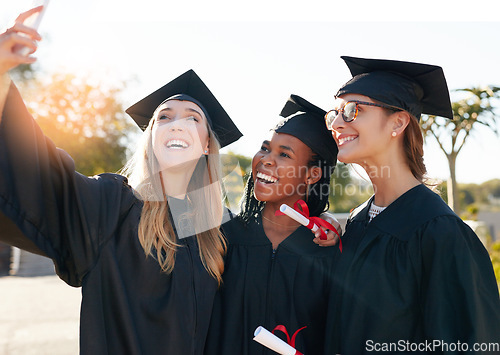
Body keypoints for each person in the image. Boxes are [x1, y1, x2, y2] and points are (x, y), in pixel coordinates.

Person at [0, 8, 242, 355]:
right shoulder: (112, 207)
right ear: (151, 137)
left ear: (207, 144)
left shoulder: (219, 232)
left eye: (193, 118)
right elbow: (39, 172)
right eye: (164, 117)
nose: (176, 124)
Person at [323, 56, 500, 354]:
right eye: (335, 113)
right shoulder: (356, 222)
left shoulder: (439, 232)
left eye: (354, 110)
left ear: (398, 122)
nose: (338, 123)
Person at [205, 95, 340, 354]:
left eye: (284, 154)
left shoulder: (327, 251)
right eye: (265, 148)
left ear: (312, 174)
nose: (266, 159)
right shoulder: (223, 236)